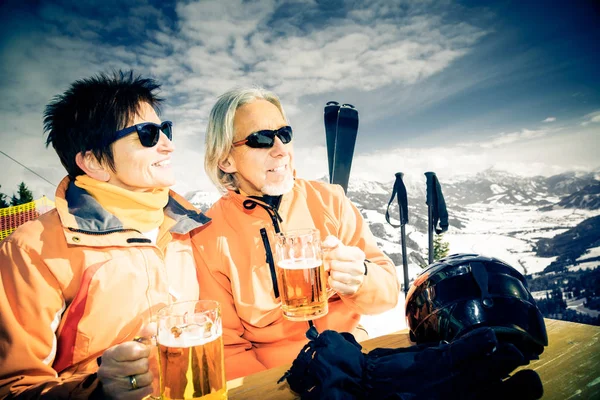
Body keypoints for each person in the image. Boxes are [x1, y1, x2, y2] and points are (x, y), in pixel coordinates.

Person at [0, 71, 210, 399]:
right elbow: (14, 387)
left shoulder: (189, 227)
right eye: (147, 135)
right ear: (96, 161)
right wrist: (97, 390)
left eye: (165, 129)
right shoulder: (32, 250)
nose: (168, 145)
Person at [193, 86, 400, 380]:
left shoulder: (329, 200)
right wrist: (281, 388)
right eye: (261, 139)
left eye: (284, 134)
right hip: (275, 375)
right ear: (226, 160)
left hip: (352, 355)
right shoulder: (209, 235)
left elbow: (389, 293)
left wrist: (362, 279)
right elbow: (226, 349)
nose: (280, 150)